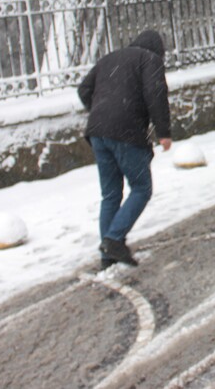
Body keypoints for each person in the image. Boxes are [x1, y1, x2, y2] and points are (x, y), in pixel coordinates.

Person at [78, 30, 172, 270]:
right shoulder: (149, 60)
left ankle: (107, 256)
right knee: (141, 188)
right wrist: (163, 132)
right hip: (126, 131)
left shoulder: (109, 58)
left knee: (110, 194)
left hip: (97, 131)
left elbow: (83, 90)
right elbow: (156, 94)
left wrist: (101, 110)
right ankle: (113, 240)